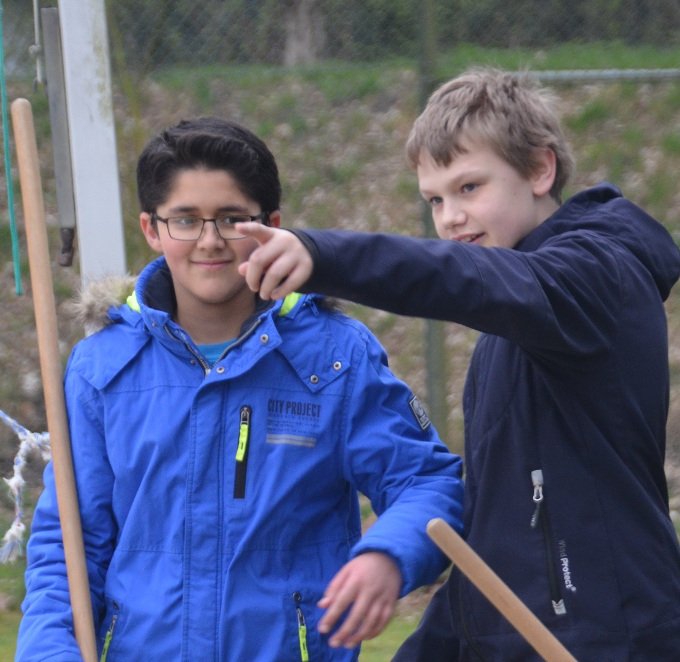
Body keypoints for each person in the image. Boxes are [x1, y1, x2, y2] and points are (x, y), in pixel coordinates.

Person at [237, 68, 680, 661]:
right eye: (434, 199)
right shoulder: (513, 323)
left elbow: (462, 280)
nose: (449, 217)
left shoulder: (593, 276)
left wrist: (322, 254)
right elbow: (501, 528)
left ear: (540, 169)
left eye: (468, 188)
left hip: (611, 639)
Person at [16, 117, 464, 662]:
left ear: (271, 225)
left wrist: (388, 556)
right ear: (152, 230)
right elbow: (66, 549)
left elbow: (427, 481)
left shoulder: (335, 357)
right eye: (185, 219)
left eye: (232, 220)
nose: (210, 241)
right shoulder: (101, 368)